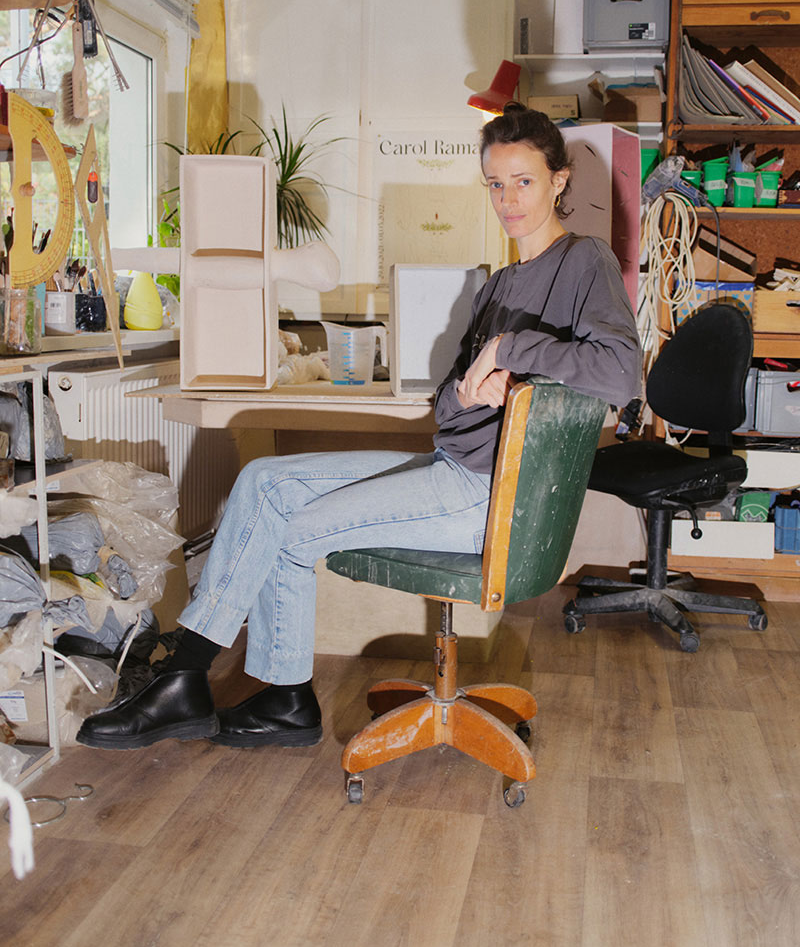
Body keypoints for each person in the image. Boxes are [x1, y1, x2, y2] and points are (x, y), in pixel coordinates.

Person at [77, 103, 641, 751]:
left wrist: (509, 351)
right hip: (451, 466)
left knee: (282, 529)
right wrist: (471, 389)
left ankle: (186, 678)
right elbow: (451, 408)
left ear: (560, 180)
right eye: (495, 182)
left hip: (487, 494)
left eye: (525, 181)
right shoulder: (498, 284)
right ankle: (280, 698)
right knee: (263, 481)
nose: (508, 199)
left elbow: (622, 373)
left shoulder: (585, 262)